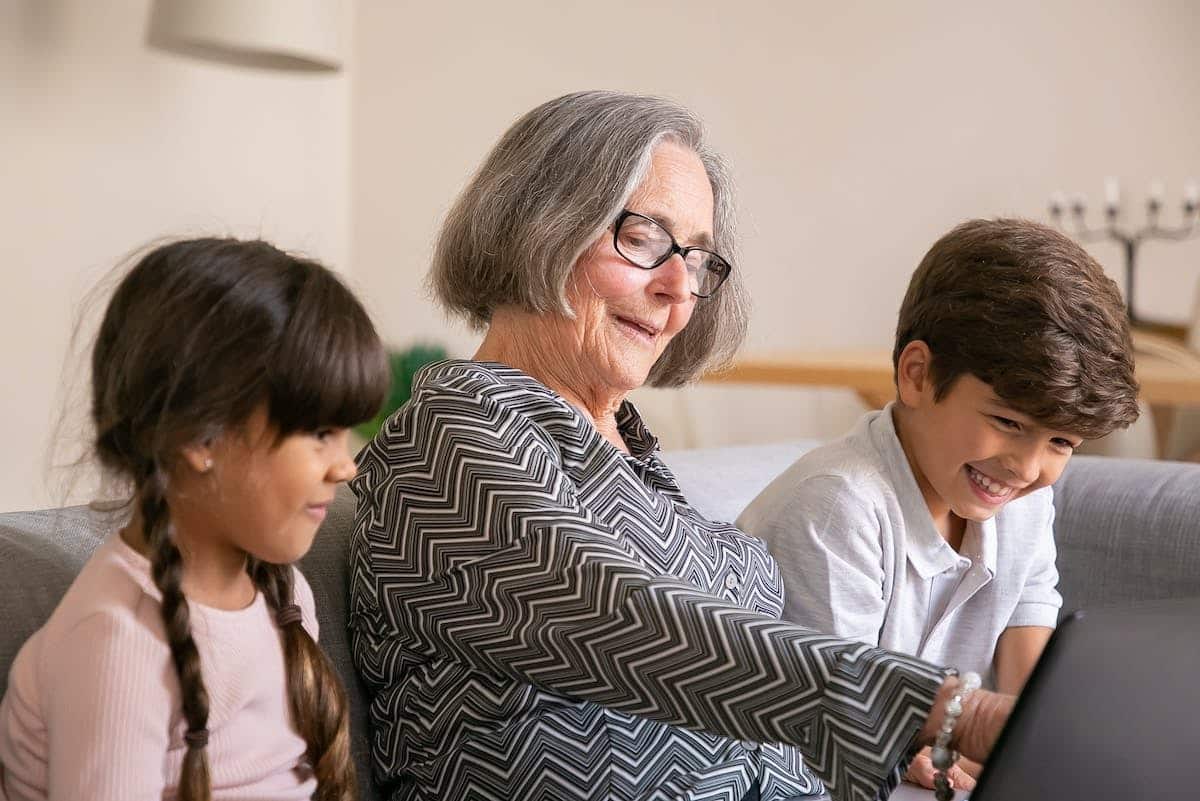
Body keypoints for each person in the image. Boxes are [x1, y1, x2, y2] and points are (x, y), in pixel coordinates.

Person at [349, 91, 1012, 801]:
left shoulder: (636, 465)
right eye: (643, 238)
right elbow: (631, 622)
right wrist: (939, 710)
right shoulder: (454, 433)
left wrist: (877, 758)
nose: (677, 288)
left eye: (696, 259)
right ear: (539, 224)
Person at [738, 218, 1139, 790]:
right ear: (918, 375)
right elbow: (836, 704)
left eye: (1061, 443)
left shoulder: (1019, 501)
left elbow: (1029, 605)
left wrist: (1029, 749)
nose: (1027, 469)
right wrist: (916, 751)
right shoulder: (837, 508)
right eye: (1007, 421)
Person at [0, 238, 389, 801]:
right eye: (321, 434)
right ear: (201, 437)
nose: (347, 466)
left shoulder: (285, 592)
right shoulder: (117, 649)